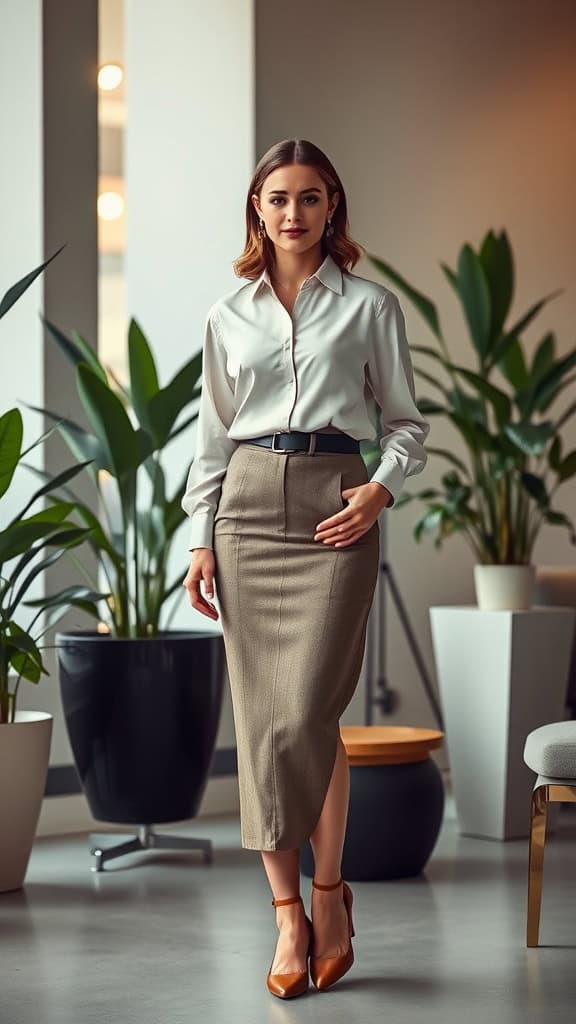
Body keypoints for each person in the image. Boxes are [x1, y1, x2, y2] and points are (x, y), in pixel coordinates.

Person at [181, 138, 429, 998]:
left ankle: (330, 895)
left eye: (311, 198)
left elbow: (406, 424)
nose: (294, 213)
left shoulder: (370, 307)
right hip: (246, 507)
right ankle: (290, 915)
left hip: (337, 501)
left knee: (306, 715)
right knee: (264, 722)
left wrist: (379, 492)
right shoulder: (228, 315)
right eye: (278, 198)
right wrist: (200, 538)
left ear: (334, 207)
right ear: (259, 209)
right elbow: (212, 438)